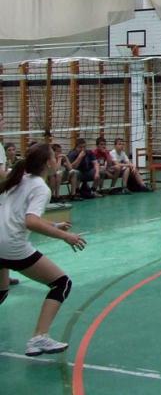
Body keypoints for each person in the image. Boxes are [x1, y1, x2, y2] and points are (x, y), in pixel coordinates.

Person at [0, 143, 87, 356]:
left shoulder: (18, 179)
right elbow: (30, 221)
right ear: (48, 163)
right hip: (11, 245)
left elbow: (20, 216)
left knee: (1, 291)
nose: (58, 160)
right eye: (55, 157)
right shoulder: (40, 187)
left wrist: (54, 225)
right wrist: (65, 236)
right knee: (62, 283)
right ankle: (39, 337)